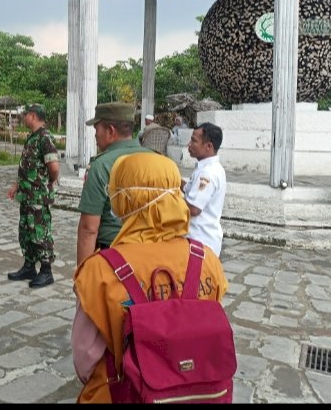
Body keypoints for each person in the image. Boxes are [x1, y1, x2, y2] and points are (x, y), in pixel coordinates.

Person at [71, 152, 228, 403]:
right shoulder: (207, 260)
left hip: (119, 393)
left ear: (125, 199)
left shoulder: (99, 270)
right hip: (195, 392)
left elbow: (85, 358)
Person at [77, 102, 152, 266]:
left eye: (97, 129)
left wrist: (82, 276)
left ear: (110, 131)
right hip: (150, 256)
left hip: (113, 257)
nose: (95, 135)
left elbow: (89, 228)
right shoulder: (156, 159)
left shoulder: (101, 166)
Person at [6, 103, 60, 288]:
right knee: (26, 232)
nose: (23, 117)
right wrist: (16, 185)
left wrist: (47, 183)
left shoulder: (45, 138)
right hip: (27, 195)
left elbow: (54, 168)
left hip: (38, 197)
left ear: (34, 115)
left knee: (40, 232)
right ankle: (29, 266)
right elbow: (26, 167)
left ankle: (46, 271)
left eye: (26, 114)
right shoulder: (32, 138)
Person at [182, 122, 227, 257]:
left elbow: (194, 209)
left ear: (208, 146)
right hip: (201, 239)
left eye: (194, 141)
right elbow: (188, 189)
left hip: (200, 241)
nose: (189, 144)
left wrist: (170, 200)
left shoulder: (207, 174)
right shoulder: (208, 168)